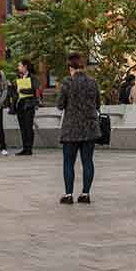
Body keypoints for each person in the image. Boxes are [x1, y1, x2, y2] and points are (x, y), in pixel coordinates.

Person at [56, 52, 101, 205]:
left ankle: (68, 195)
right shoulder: (93, 82)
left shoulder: (67, 82)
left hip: (71, 129)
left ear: (70, 67)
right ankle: (85, 193)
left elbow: (60, 105)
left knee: (68, 162)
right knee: (87, 161)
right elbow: (98, 104)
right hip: (90, 127)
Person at [11, 61, 37, 157]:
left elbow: (34, 90)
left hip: (29, 105)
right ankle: (24, 147)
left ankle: (29, 148)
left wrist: (22, 90)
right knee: (22, 127)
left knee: (28, 127)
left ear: (25, 67)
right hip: (20, 104)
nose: (18, 67)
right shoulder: (18, 77)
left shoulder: (32, 77)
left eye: (20, 65)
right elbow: (14, 91)